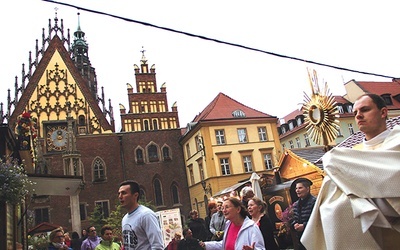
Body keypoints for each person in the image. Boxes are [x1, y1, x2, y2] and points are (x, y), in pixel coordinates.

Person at [302, 93, 400, 249]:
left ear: (383, 112)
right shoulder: (350, 156)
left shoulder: (397, 141)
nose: (359, 116)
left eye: (365, 110)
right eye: (355, 113)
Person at [201, 197, 265, 250]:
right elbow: (225, 244)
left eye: (227, 207)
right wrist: (206, 245)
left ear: (238, 209)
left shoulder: (251, 227)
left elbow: (260, 248)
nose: (224, 210)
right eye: (223, 208)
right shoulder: (228, 225)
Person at [118, 180, 164, 249]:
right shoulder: (125, 219)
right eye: (119, 193)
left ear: (135, 195)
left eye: (124, 193)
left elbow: (157, 246)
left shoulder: (146, 215)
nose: (120, 196)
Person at [290, 178, 316, 250]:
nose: (297, 190)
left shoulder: (314, 202)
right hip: (301, 240)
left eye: (300, 188)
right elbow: (294, 219)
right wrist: (294, 224)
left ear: (307, 189)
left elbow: (318, 221)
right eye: (296, 188)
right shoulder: (296, 204)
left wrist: (304, 226)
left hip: (313, 239)